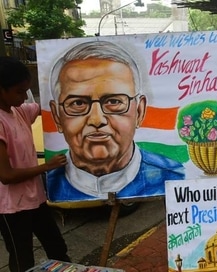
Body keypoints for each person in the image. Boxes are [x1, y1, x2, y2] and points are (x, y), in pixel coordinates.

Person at [46, 40, 185, 201]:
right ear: (56, 116)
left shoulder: (176, 178)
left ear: (139, 111)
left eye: (114, 102)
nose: (97, 120)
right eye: (78, 103)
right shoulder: (49, 185)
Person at [0, 56, 71, 272]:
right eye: (19, 91)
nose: (24, 96)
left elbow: (45, 106)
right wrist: (46, 166)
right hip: (11, 206)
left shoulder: (17, 110)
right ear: (2, 90)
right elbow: (6, 176)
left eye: (27, 90)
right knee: (22, 260)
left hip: (35, 198)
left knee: (56, 246)